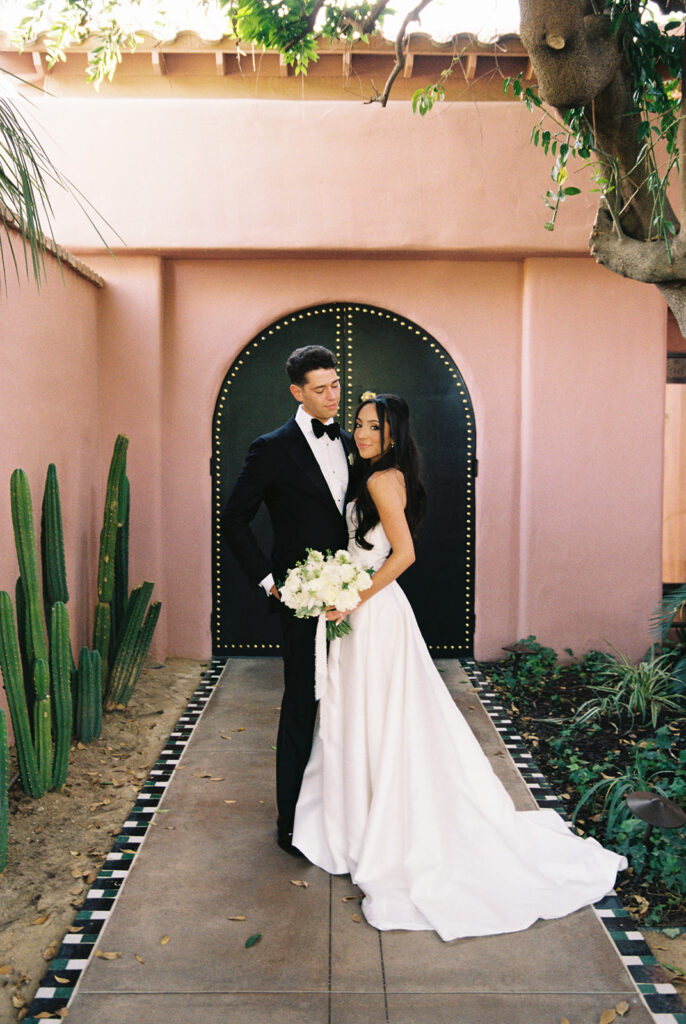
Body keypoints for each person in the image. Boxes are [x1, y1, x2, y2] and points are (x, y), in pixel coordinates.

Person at [292, 394, 627, 940]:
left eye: (372, 426)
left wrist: (352, 597)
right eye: (358, 424)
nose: (361, 432)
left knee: (372, 716)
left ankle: (366, 822)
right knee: (374, 716)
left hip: (373, 612)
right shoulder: (385, 474)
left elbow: (403, 556)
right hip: (374, 611)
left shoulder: (380, 480)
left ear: (393, 433)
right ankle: (364, 814)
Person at [221, 345, 351, 856]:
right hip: (304, 601)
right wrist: (270, 581)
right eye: (320, 389)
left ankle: (346, 812)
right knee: (302, 703)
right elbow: (234, 518)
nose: (331, 396)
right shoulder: (271, 447)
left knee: (352, 703)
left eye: (336, 384)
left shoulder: (348, 440)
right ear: (297, 392)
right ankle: (291, 821)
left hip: (355, 598)